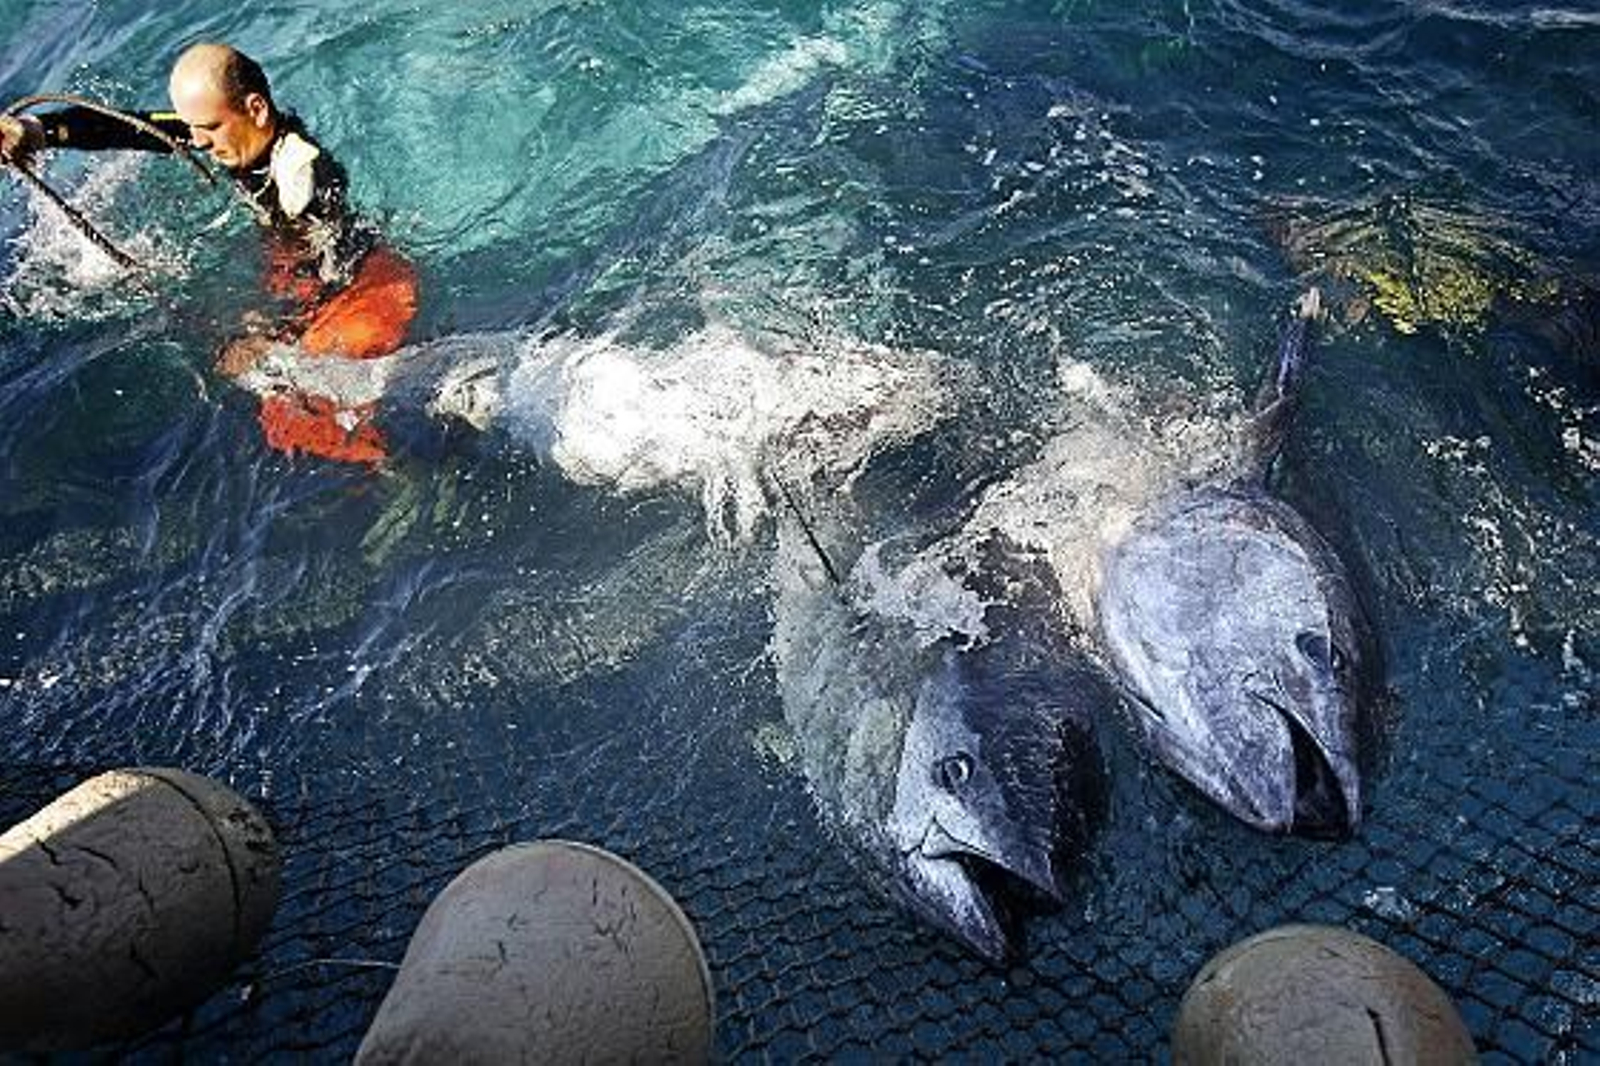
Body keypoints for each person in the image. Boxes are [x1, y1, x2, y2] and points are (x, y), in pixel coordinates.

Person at [0, 43, 417, 464]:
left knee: (291, 410)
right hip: (302, 270)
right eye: (192, 127)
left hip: (367, 287)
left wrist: (272, 334)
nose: (197, 141)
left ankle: (409, 467)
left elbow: (331, 264)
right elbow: (133, 128)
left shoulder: (300, 174)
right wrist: (36, 131)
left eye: (208, 128)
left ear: (255, 109)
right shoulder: (229, 131)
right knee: (280, 408)